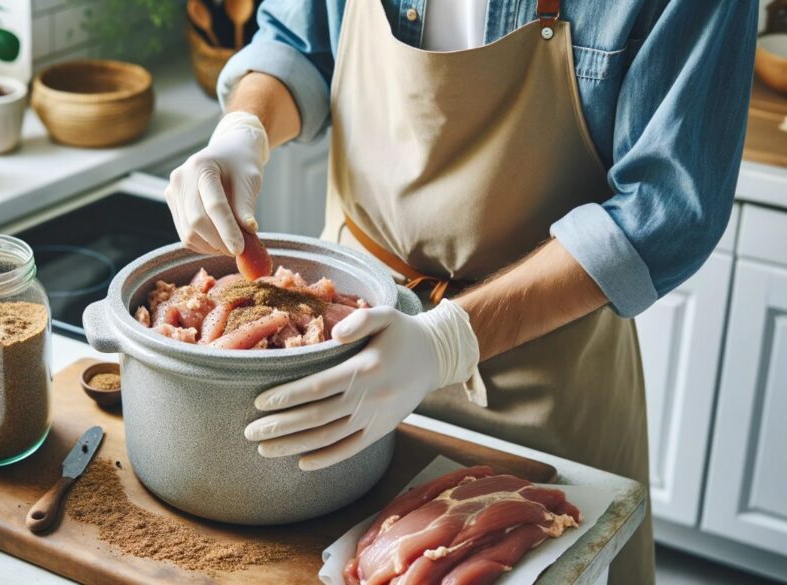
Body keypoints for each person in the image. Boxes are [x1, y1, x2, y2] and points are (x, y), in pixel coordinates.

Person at [163, 1, 757, 582]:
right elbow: (298, 44)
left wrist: (447, 341)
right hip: (343, 349)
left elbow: (667, 209)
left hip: (546, 373)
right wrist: (244, 130)